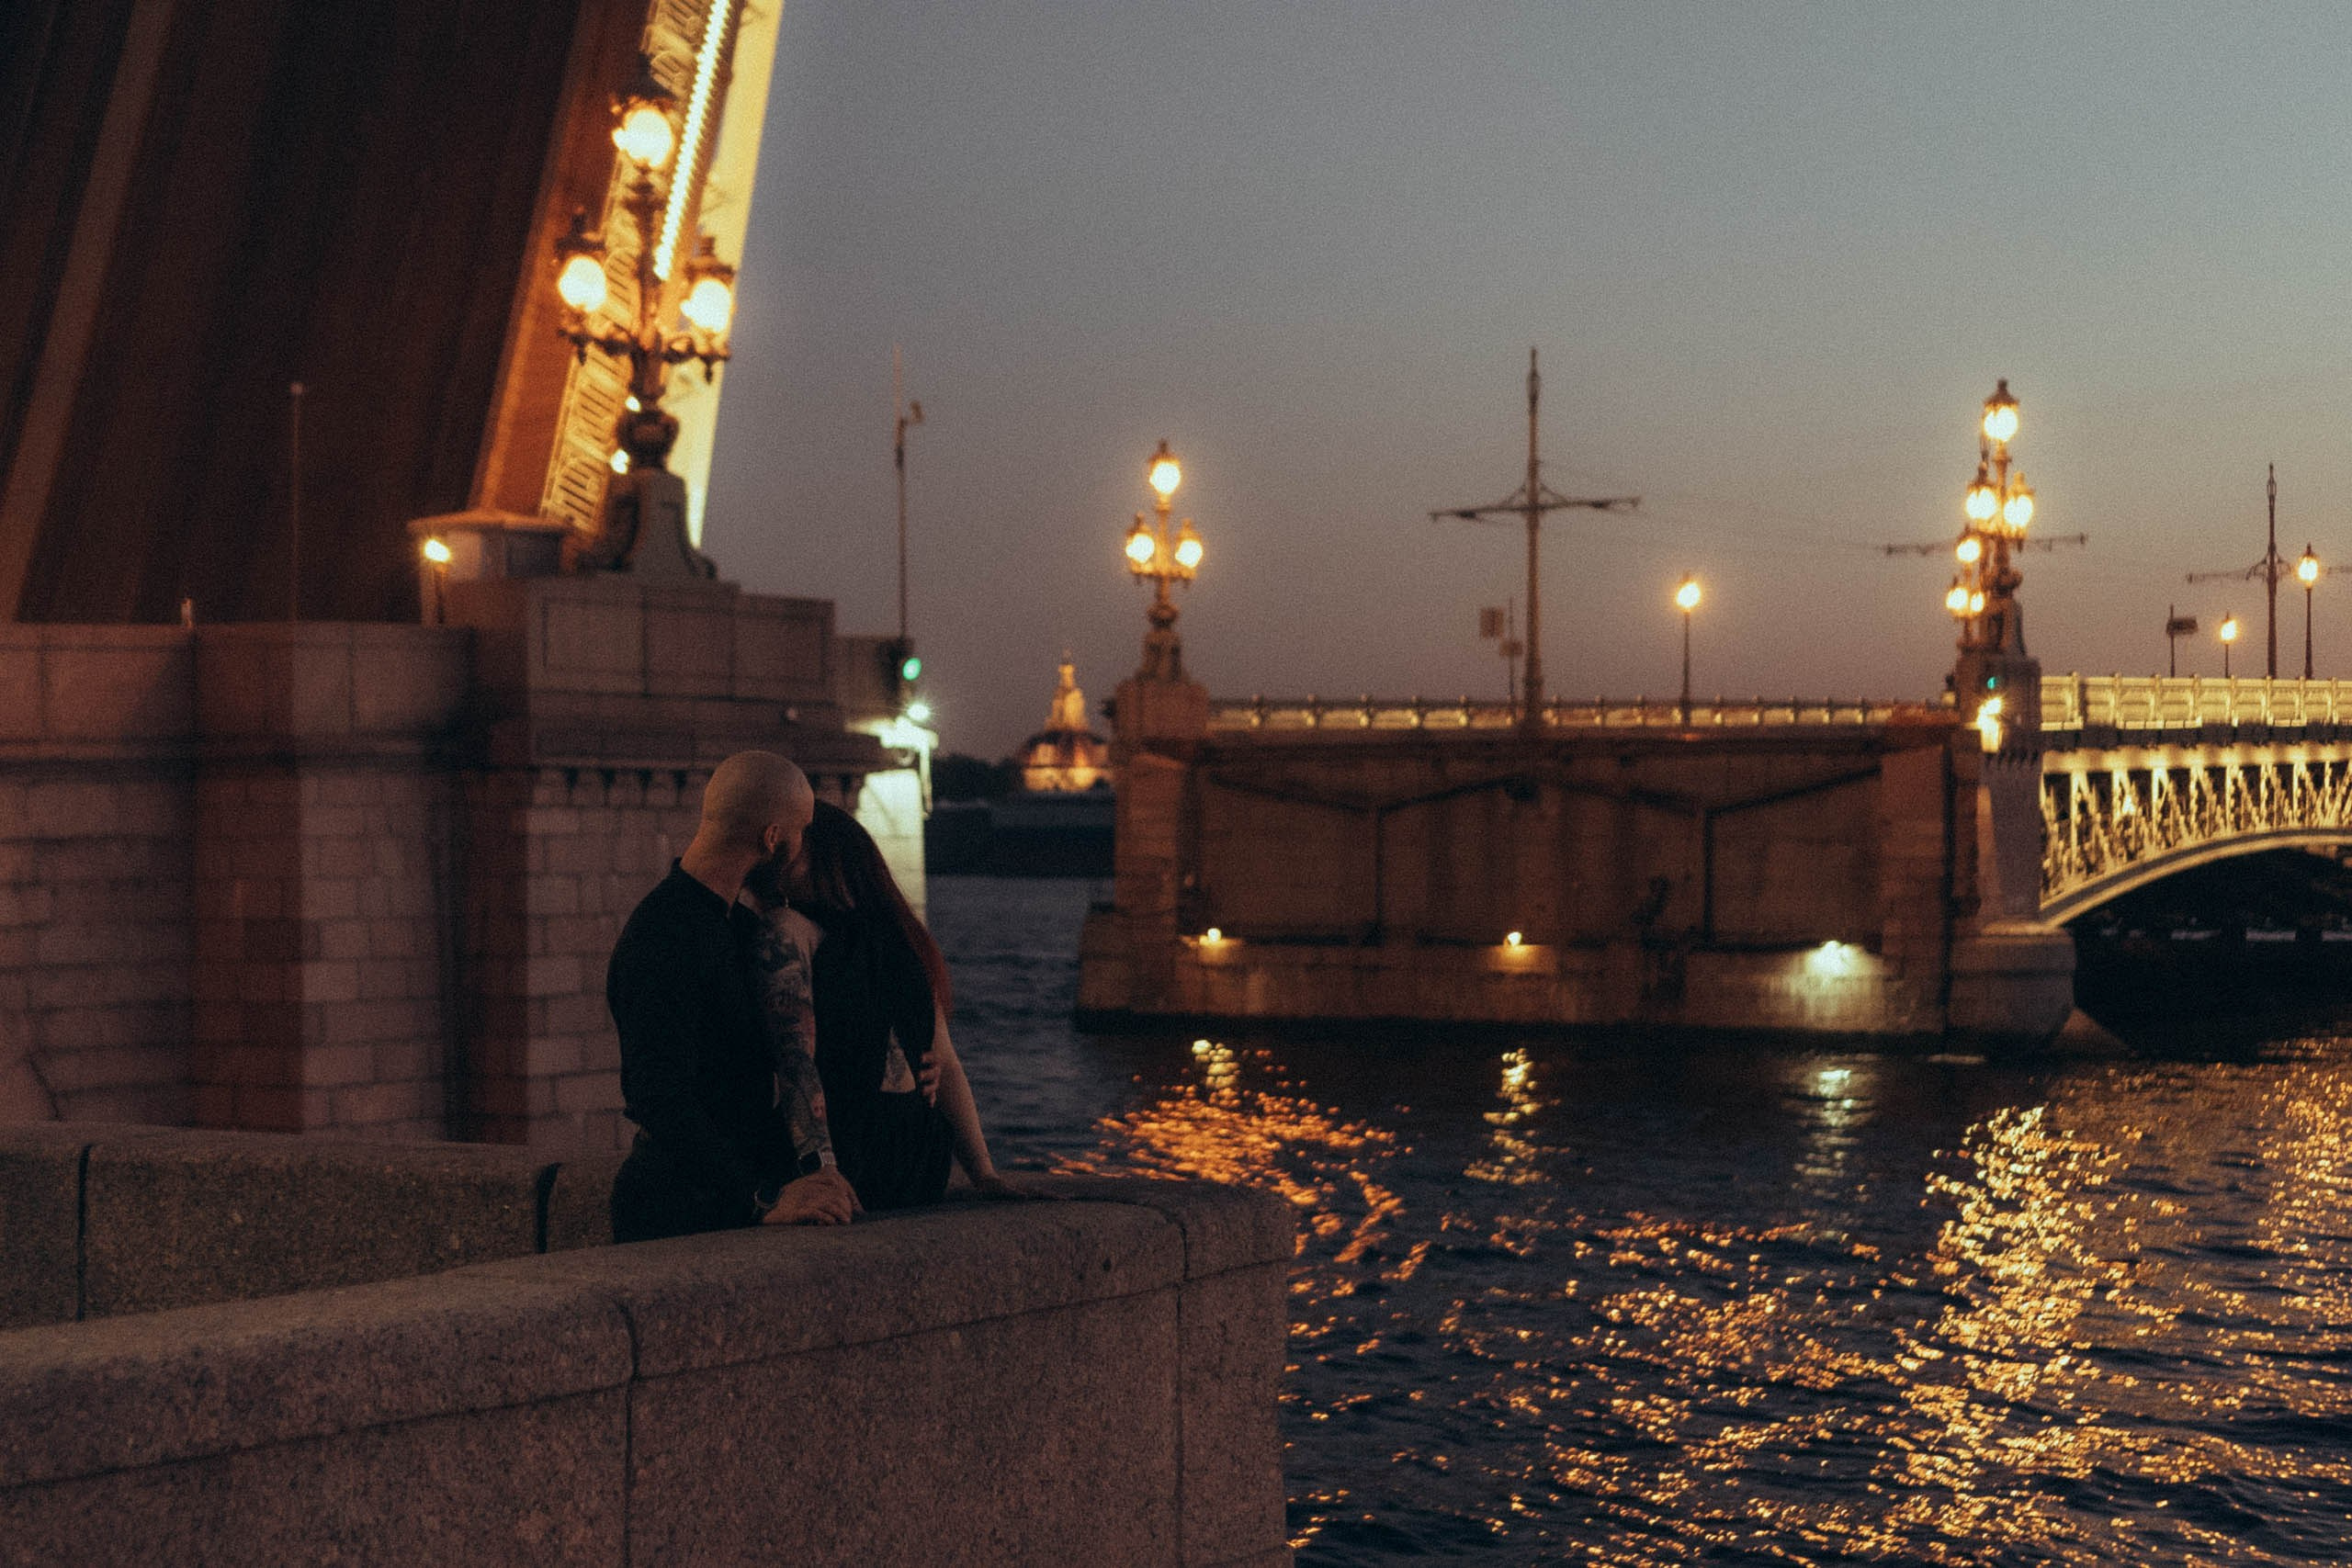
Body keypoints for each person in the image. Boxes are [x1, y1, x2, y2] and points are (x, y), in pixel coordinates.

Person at [606, 751, 861, 1243]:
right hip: (678, 1213)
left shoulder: (733, 925)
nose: (803, 848)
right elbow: (659, 1096)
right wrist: (762, 1198)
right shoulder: (662, 935)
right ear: (771, 838)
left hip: (718, 1199)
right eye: (801, 832)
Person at [776, 799, 1017, 1211]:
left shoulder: (807, 931)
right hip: (912, 1160)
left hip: (873, 1157)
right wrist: (983, 1172)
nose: (777, 864)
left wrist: (985, 1175)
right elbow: (945, 1060)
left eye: (791, 852)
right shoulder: (898, 938)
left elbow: (944, 1062)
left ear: (826, 857)